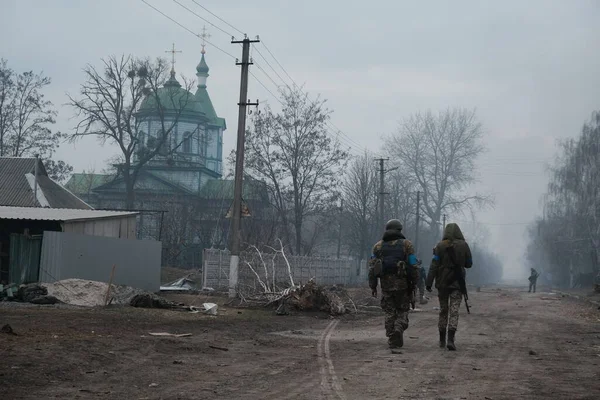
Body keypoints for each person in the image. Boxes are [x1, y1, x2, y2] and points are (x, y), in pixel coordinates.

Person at [369, 219, 419, 351]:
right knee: (402, 310)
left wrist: (373, 286)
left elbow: (372, 269)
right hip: (403, 285)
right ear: (399, 230)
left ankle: (392, 336)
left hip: (386, 285)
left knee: (389, 311)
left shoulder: (377, 246)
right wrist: (415, 282)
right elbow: (413, 265)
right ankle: (398, 328)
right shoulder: (407, 245)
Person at [426, 223, 472, 351]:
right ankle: (451, 339)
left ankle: (441, 340)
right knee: (454, 311)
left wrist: (428, 282)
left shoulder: (439, 246)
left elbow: (434, 265)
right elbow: (469, 264)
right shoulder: (464, 245)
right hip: (457, 283)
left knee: (443, 310)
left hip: (443, 284)